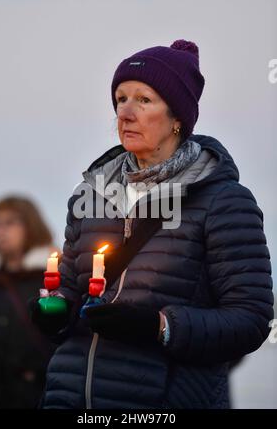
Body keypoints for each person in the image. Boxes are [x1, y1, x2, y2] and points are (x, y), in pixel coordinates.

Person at [32, 39, 274, 409]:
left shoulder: (224, 202)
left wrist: (159, 326)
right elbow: (68, 290)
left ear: (178, 118)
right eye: (120, 98)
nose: (125, 113)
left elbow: (252, 320)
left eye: (144, 100)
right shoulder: (89, 194)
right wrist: (55, 313)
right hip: (68, 398)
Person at [0, 196, 57, 408]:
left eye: (11, 222)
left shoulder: (53, 278)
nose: (1, 230)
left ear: (30, 226)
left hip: (38, 395)